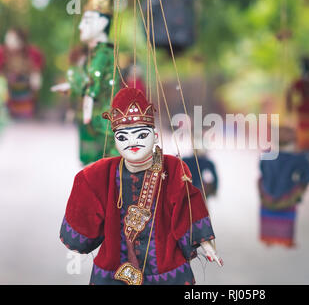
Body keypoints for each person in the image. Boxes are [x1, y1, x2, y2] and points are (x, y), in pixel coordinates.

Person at [60, 87, 222, 285]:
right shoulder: (101, 174)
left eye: (141, 135)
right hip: (115, 270)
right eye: (122, 137)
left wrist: (206, 242)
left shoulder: (172, 168)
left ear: (155, 135)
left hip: (164, 270)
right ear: (115, 140)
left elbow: (187, 206)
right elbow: (83, 224)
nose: (132, 142)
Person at [52, 0, 119, 165]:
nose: (81, 26)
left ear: (103, 23)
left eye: (87, 21)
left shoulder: (103, 54)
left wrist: (86, 97)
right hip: (92, 121)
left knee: (102, 166)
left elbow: (92, 84)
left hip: (102, 123)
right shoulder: (93, 54)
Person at [258, 126, 309, 247]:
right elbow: (307, 175)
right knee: (287, 217)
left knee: (268, 216)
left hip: (267, 192)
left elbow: (261, 170)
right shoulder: (299, 158)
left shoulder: (266, 155)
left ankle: (268, 238)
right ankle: (286, 240)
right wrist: (301, 186)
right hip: (288, 193)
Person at [0, 28, 44, 119]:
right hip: (8, 90)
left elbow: (37, 71)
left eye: (11, 38)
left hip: (25, 90)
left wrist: (35, 76)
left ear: (20, 40)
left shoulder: (32, 52)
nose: (7, 40)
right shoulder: (2, 52)